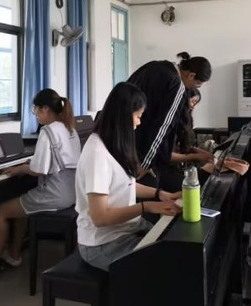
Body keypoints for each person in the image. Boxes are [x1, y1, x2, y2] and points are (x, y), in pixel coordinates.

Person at [0, 89, 81, 280]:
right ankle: (13, 254)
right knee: (22, 202)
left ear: (45, 109)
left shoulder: (48, 131)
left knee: (2, 210)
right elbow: (58, 160)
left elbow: (40, 170)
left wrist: (21, 169)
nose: (35, 114)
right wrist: (29, 164)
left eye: (36, 109)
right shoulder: (70, 129)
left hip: (55, 194)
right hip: (71, 192)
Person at [75, 82, 181, 271]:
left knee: (175, 244)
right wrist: (147, 206)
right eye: (138, 116)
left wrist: (159, 194)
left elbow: (126, 185)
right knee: (167, 266)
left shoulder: (113, 144)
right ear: (123, 116)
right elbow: (99, 217)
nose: (139, 122)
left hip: (127, 228)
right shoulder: (96, 153)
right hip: (103, 243)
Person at [128, 52, 213, 189]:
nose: (192, 89)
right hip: (140, 151)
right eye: (196, 85)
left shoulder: (154, 66)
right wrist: (146, 163)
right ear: (191, 75)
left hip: (124, 141)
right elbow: (162, 127)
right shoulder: (176, 85)